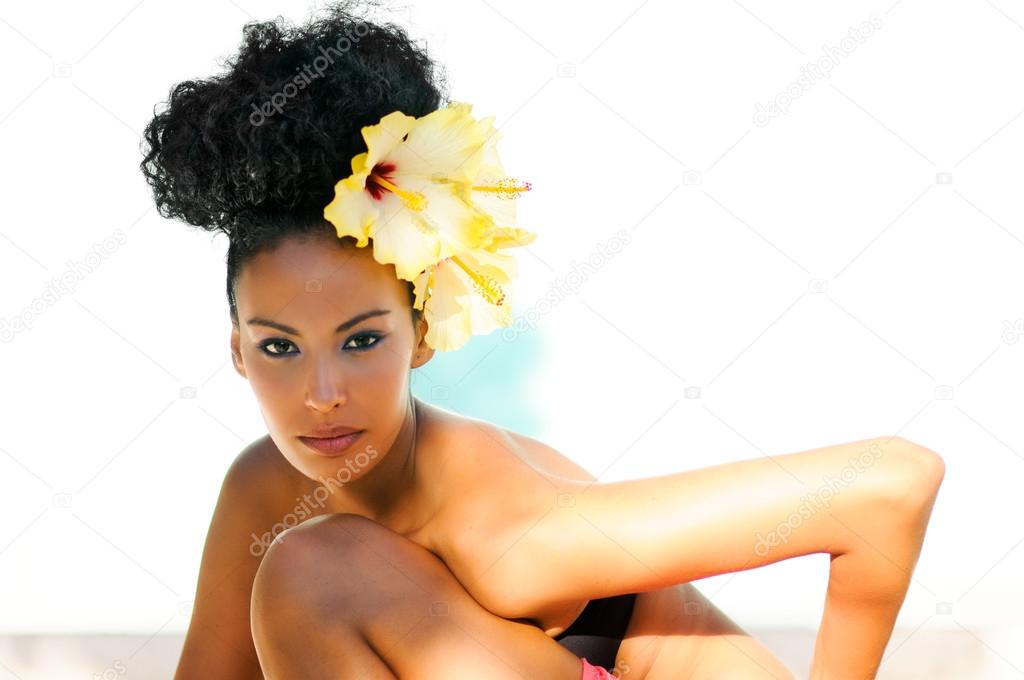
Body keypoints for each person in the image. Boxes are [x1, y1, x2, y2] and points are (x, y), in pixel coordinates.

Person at [141, 2, 945, 678]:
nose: (321, 394)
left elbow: (892, 485)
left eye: (360, 341)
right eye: (281, 347)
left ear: (423, 336)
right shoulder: (264, 484)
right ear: (238, 351)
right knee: (312, 565)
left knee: (313, 572)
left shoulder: (508, 532)